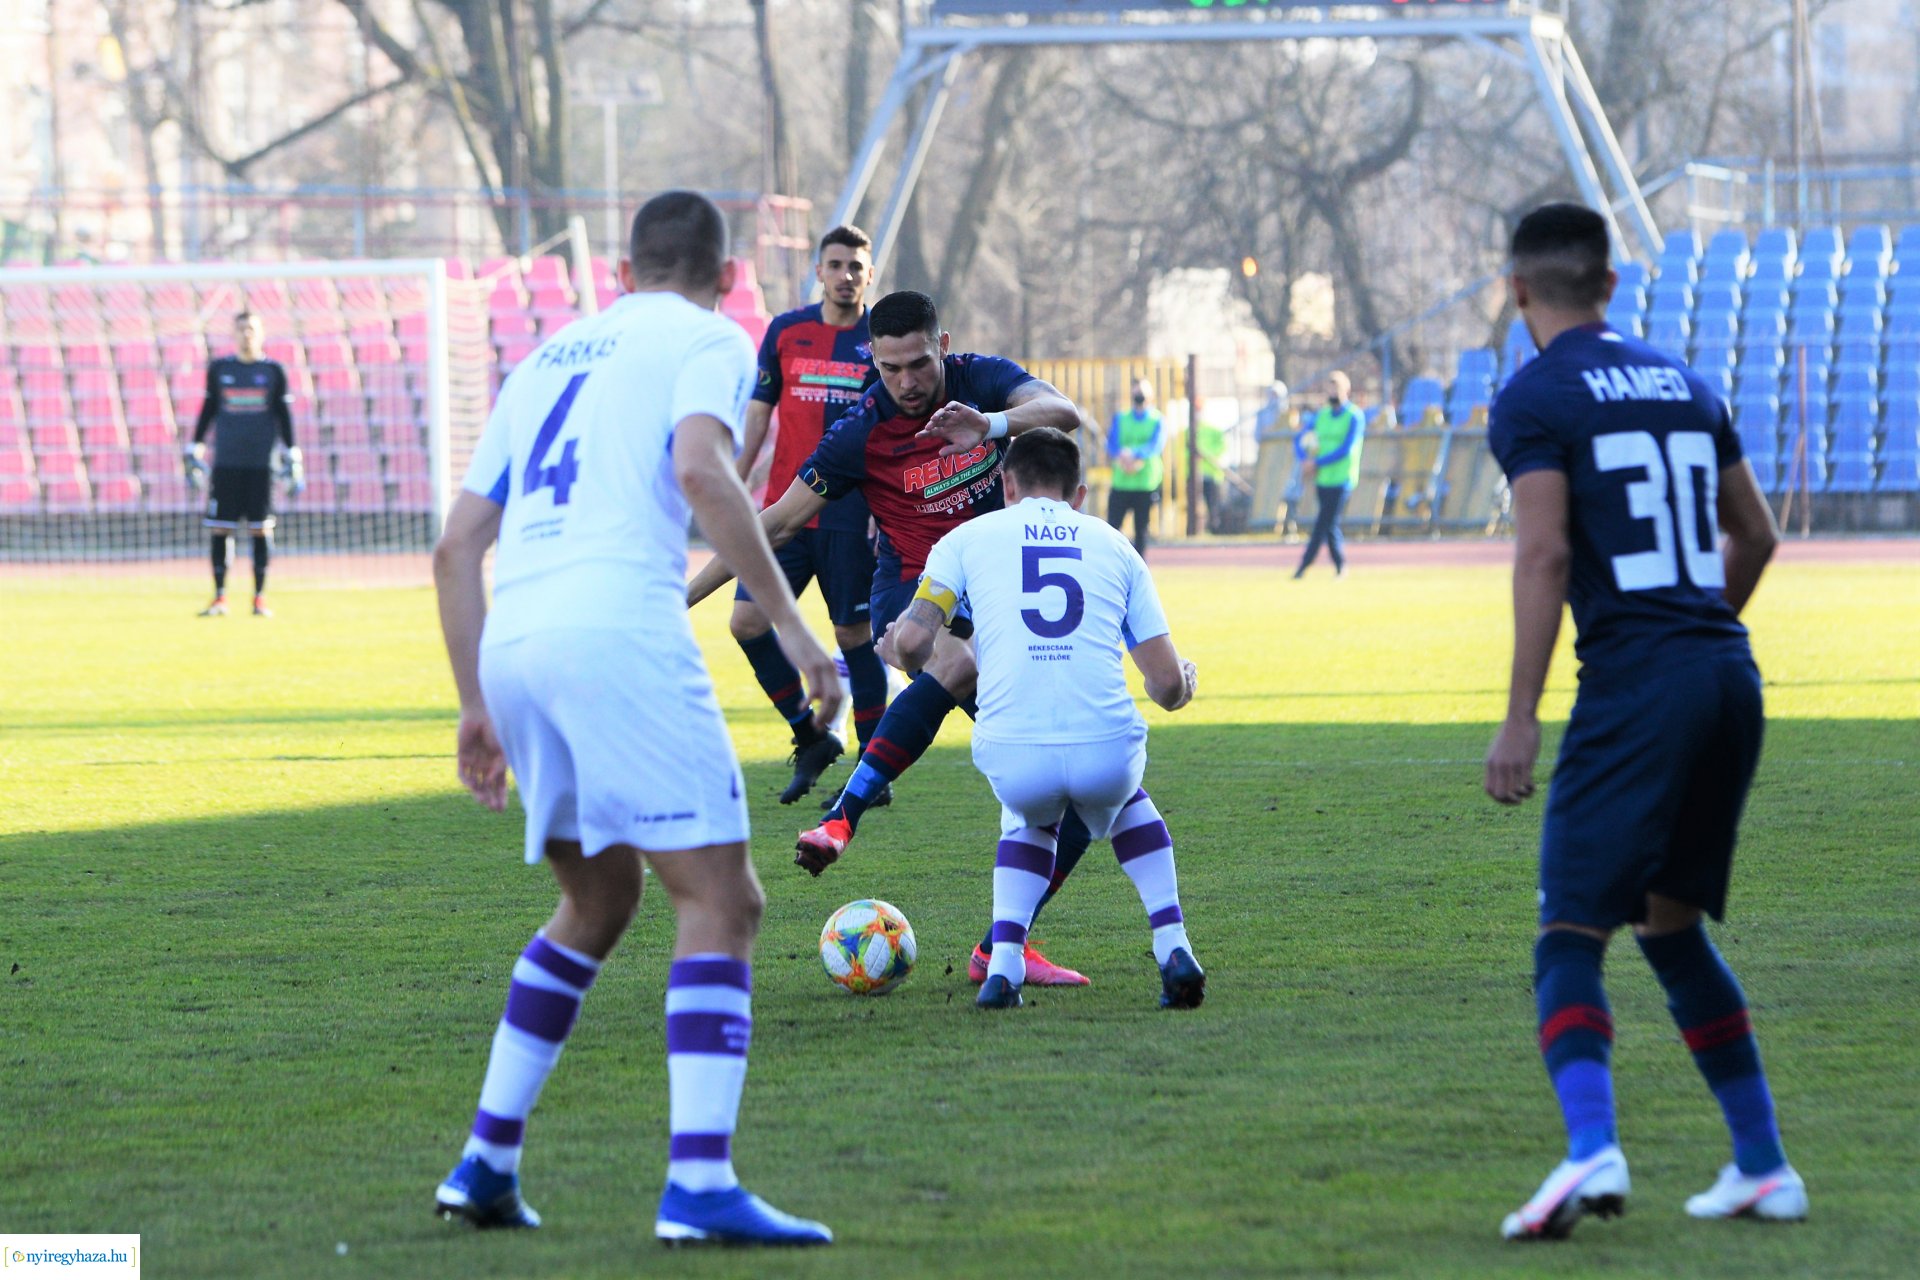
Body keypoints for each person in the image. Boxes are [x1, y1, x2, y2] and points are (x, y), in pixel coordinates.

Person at [431, 191, 841, 1247]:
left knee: (600, 896)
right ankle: (698, 1183)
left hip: (519, 638)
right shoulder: (711, 335)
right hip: (616, 627)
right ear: (728, 271)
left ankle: (486, 1159)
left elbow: (455, 542)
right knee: (722, 898)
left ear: (622, 267)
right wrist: (794, 632)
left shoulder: (547, 355)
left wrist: (478, 698)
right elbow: (701, 467)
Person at [1484, 202, 1801, 1241]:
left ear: (1519, 289)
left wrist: (1521, 716)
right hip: (1726, 672)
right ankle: (1762, 1163)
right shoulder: (1685, 381)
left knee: (1568, 929)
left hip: (1639, 685)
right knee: (1669, 926)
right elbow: (1756, 533)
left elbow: (1543, 554)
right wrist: (1699, 632)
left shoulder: (1534, 394)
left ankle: (1590, 1147)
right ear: (1612, 286)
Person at [685, 289, 1097, 987]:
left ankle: (1002, 947)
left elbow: (1066, 415)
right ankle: (843, 818)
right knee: (954, 659)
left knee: (1078, 800)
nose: (905, 382)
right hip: (911, 600)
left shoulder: (981, 381)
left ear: (943, 345)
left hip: (997, 611)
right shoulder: (859, 431)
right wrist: (678, 600)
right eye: (889, 367)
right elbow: (778, 520)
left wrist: (992, 425)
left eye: (917, 364)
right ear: (872, 359)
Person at [883, 427, 1204, 1010]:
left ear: (1006, 485)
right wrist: (1184, 687)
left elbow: (910, 640)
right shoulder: (1115, 546)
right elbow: (1163, 685)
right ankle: (1172, 943)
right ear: (1078, 495)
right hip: (1106, 748)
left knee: (1029, 817)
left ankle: (1004, 964)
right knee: (1125, 798)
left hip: (1013, 750)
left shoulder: (965, 539)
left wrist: (900, 659)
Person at [730, 226, 891, 806]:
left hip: (851, 514)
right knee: (746, 623)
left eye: (856, 266)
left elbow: (896, 430)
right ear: (818, 271)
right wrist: (735, 478)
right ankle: (809, 736)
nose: (846, 274)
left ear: (869, 275)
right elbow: (757, 415)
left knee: (854, 637)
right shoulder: (786, 331)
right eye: (836, 264)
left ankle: (873, 778)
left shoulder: (885, 341)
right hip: (782, 512)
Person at [184, 309, 302, 617]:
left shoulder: (274, 371)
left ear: (261, 333)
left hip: (261, 463)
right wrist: (195, 444)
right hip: (226, 462)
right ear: (233, 333)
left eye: (251, 328)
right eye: (240, 329)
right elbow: (209, 408)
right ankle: (220, 597)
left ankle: (259, 598)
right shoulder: (220, 369)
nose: (246, 334)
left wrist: (293, 451)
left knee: (261, 530)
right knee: (220, 529)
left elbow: (283, 415)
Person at [1291, 371, 1363, 578]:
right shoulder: (1322, 415)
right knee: (1329, 523)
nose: (1332, 393)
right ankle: (1340, 565)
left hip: (1343, 477)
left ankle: (1304, 565)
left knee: (1324, 521)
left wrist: (1317, 462)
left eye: (1336, 389)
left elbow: (1346, 449)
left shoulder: (1354, 416)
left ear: (1346, 390)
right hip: (1322, 478)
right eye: (1329, 389)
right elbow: (1299, 439)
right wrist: (1304, 458)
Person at [1105, 379, 1164, 556]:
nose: (1140, 398)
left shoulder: (1156, 419)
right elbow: (1112, 445)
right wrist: (1123, 457)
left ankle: (1140, 568)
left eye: (1143, 394)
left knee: (1141, 531)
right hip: (1121, 482)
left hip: (1145, 484)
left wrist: (1134, 454)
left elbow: (1155, 445)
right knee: (1113, 529)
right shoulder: (1121, 418)